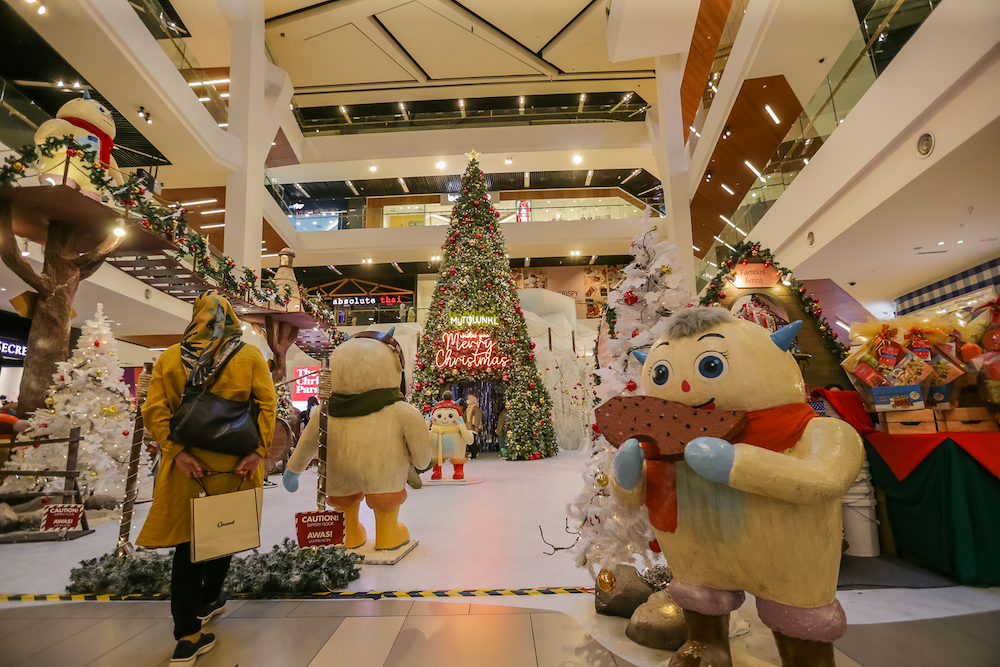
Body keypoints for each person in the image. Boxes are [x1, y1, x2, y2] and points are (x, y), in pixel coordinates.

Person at [137, 291, 277, 666]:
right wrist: (258, 451)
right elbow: (267, 404)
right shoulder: (248, 356)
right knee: (225, 529)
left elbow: (154, 410)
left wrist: (178, 453)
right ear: (230, 319)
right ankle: (209, 597)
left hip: (189, 467)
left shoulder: (170, 358)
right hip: (236, 465)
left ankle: (188, 635)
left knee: (188, 547)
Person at [465, 394, 482, 460]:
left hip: (472, 427)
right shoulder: (468, 408)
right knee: (468, 440)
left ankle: (474, 454)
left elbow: (477, 418)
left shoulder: (475, 408)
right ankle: (471, 452)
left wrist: (476, 426)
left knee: (472, 441)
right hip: (467, 427)